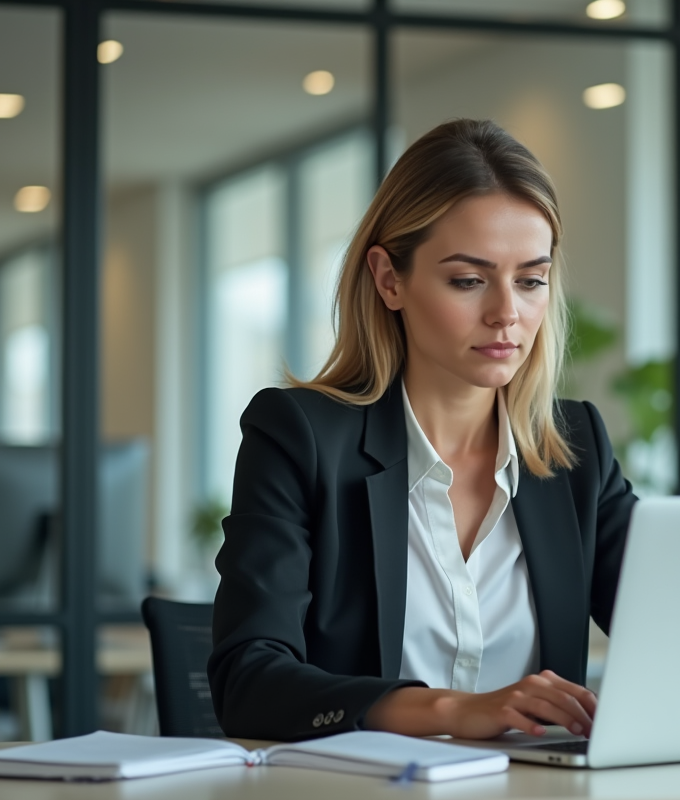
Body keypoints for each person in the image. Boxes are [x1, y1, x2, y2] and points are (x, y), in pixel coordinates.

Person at [208, 118, 638, 743]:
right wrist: (452, 710)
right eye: (468, 280)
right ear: (389, 280)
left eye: (531, 280)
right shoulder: (298, 436)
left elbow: (679, 637)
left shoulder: (575, 449)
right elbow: (248, 681)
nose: (506, 315)